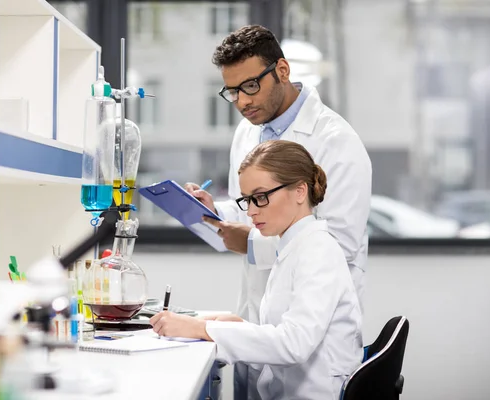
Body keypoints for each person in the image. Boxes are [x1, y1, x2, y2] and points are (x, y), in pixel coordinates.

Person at [185, 25, 371, 396]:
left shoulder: (336, 140)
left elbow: (339, 243)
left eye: (250, 86)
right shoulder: (248, 130)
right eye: (232, 91)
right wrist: (215, 209)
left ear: (282, 71)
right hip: (260, 312)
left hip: (312, 346)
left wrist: (251, 244)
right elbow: (255, 207)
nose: (242, 101)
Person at [152, 140, 363, 400]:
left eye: (261, 197)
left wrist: (199, 329)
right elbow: (285, 328)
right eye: (247, 200)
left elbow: (293, 344)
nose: (250, 212)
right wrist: (240, 326)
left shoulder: (318, 250)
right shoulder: (292, 245)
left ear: (299, 191)